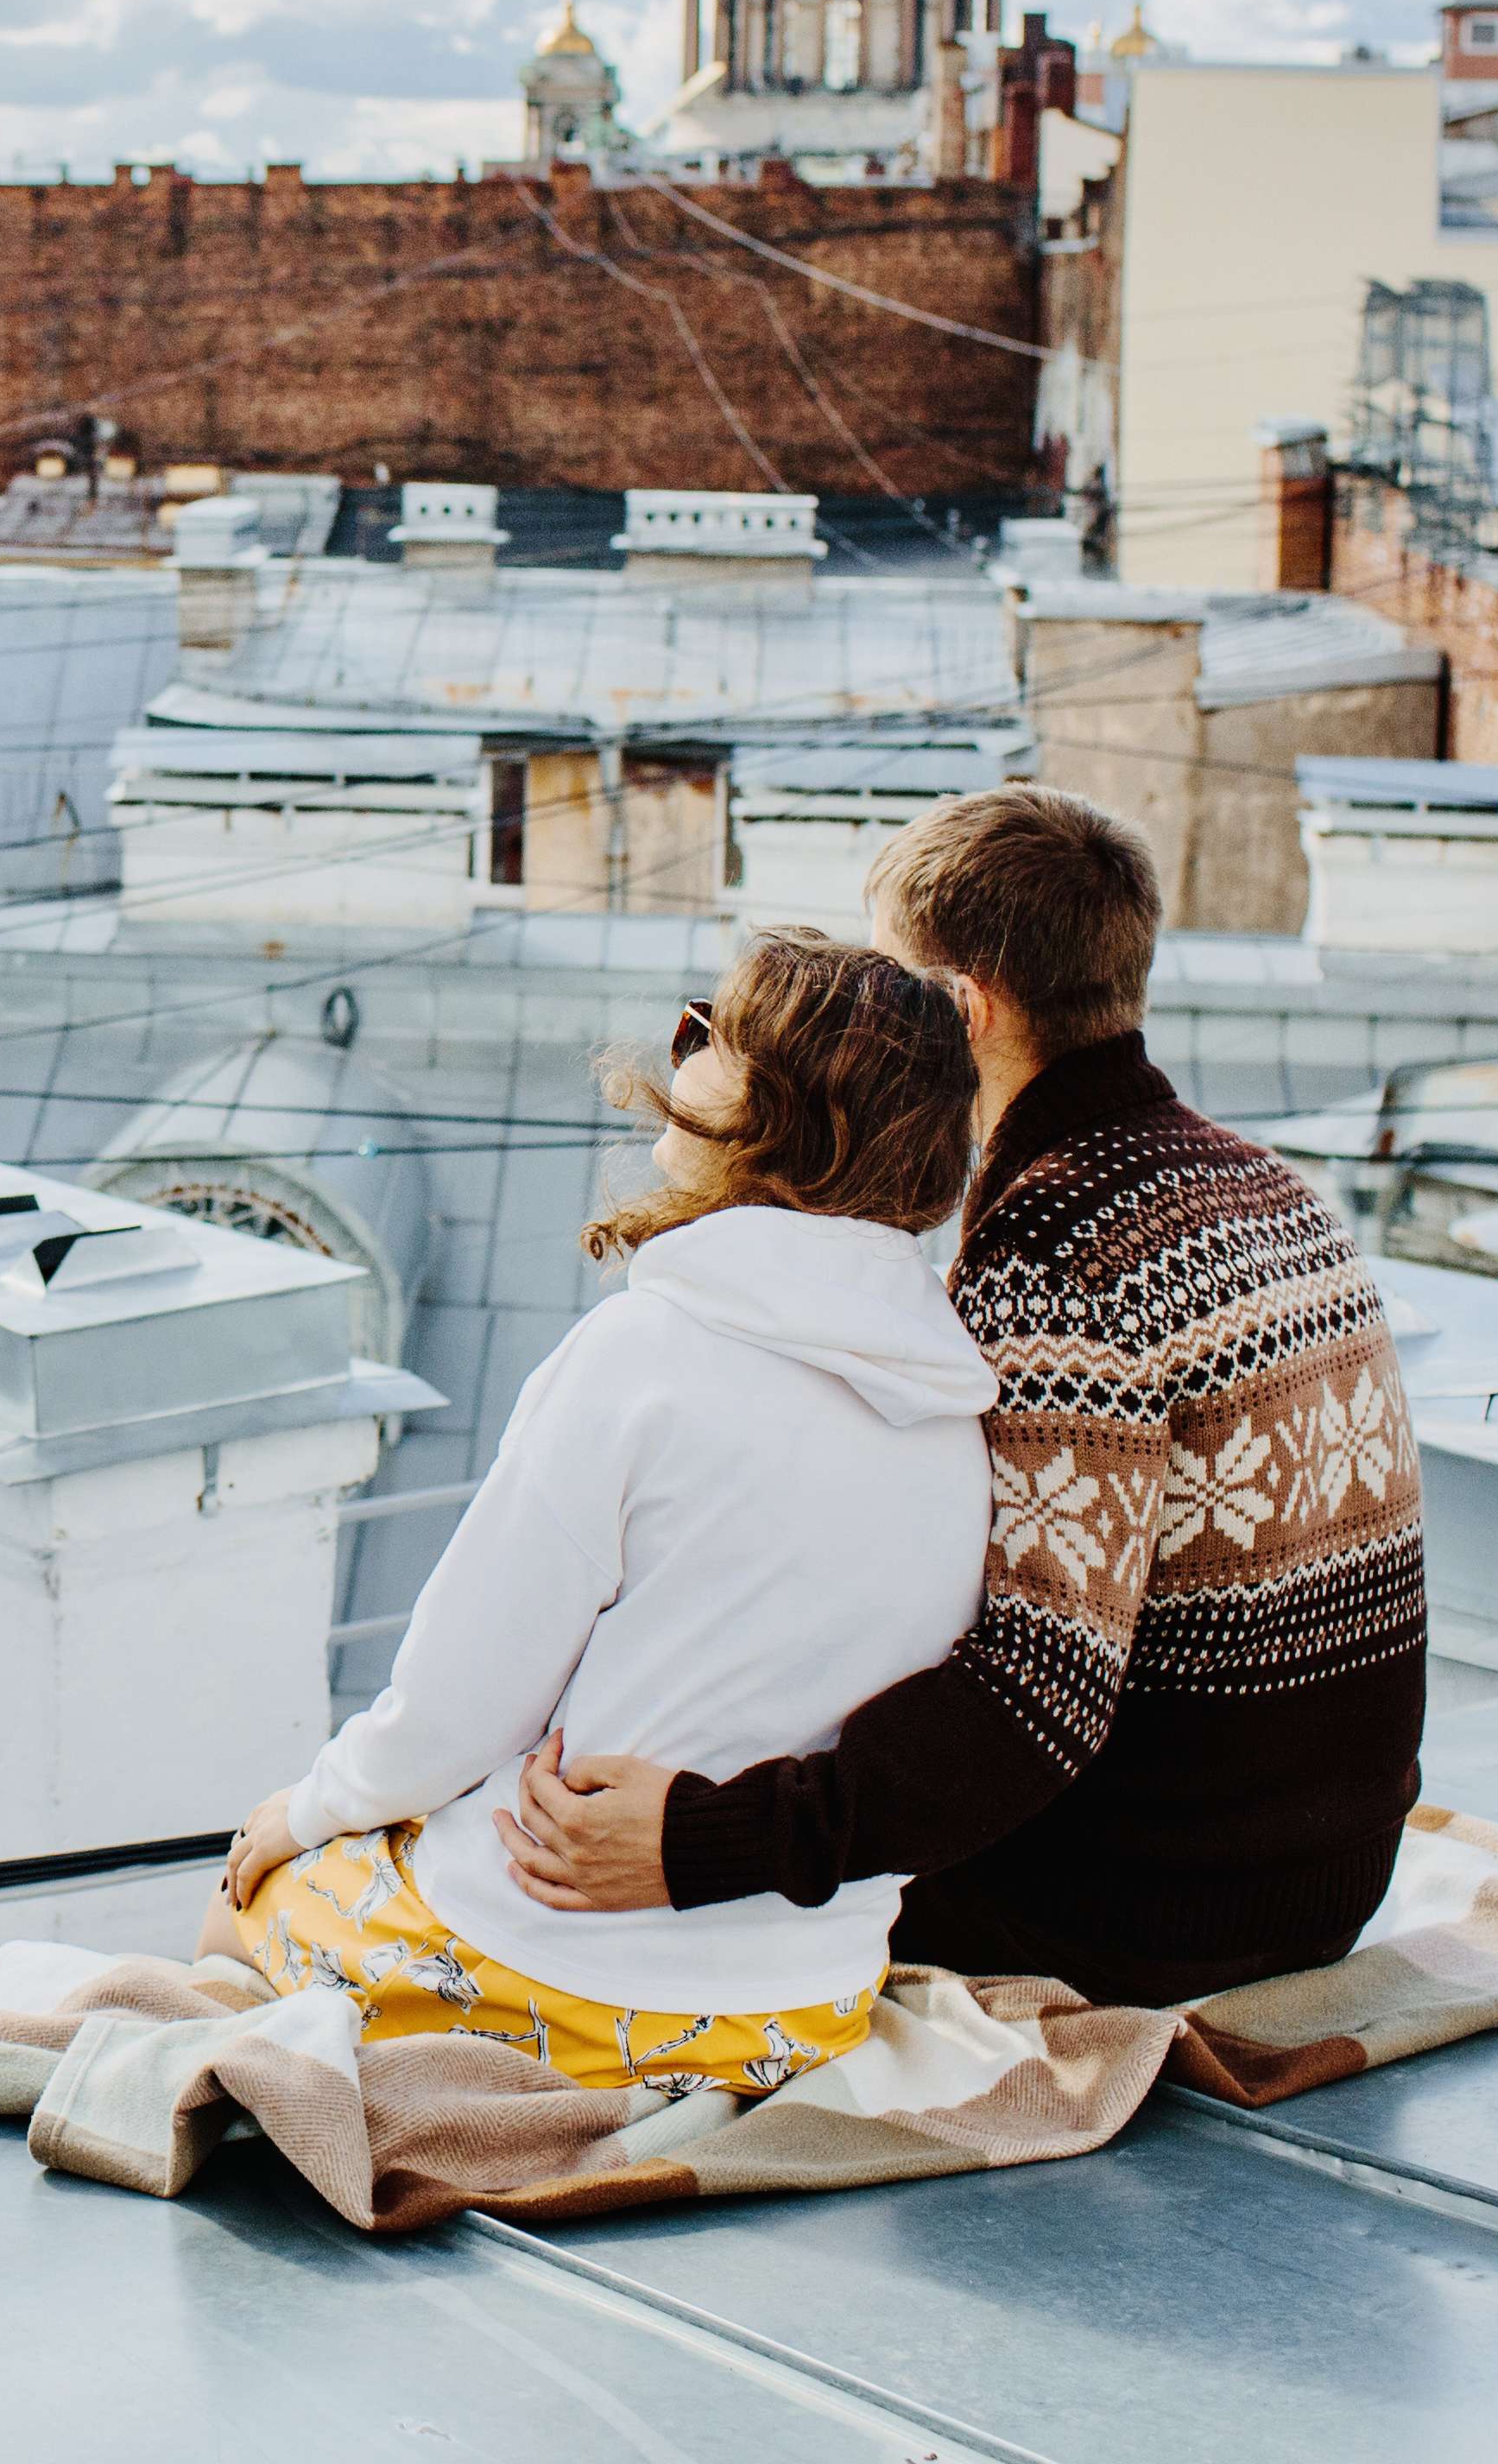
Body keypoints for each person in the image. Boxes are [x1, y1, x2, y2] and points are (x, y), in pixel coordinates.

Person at [494, 786, 1429, 2009]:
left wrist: (699, 1845)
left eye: (886, 978)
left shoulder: (1056, 1254)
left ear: (961, 1011)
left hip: (1148, 1914)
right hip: (1324, 1879)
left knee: (600, 1928)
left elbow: (1034, 1695)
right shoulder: (1266, 1186)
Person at [214, 933, 990, 2093]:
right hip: (804, 2003)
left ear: (774, 1112)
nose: (682, 1050)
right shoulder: (953, 1405)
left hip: (567, 1974)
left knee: (241, 1913)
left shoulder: (643, 1354)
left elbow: (461, 1700)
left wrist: (306, 1810)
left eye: (709, 1032)